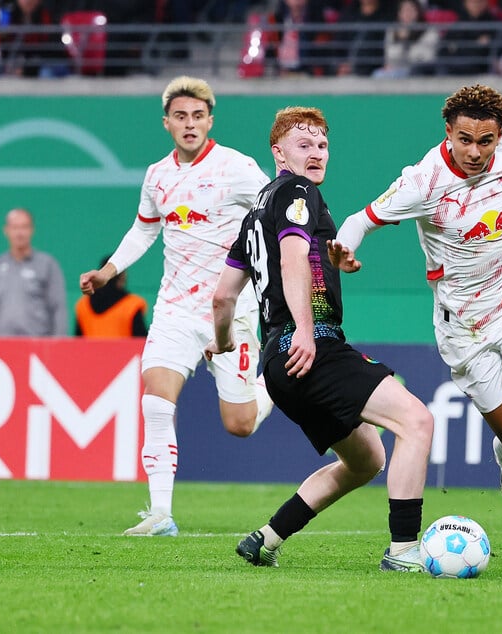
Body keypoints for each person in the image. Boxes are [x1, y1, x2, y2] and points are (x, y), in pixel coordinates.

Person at [332, 85, 502, 562]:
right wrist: (345, 249)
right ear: (448, 132)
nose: (475, 152)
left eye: (485, 141)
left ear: (500, 136)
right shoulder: (423, 182)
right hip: (464, 326)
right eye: (465, 139)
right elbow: (360, 221)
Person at [205, 106, 434, 572]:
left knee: (367, 459)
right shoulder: (297, 190)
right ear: (278, 153)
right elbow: (293, 260)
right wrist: (306, 333)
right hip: (309, 347)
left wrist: (223, 341)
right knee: (418, 421)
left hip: (276, 363)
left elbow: (222, 299)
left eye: (322, 145)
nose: (316, 153)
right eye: (303, 145)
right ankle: (404, 550)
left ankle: (266, 537)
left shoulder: (253, 217)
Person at [79, 76, 274, 537]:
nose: (190, 124)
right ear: (167, 123)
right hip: (174, 309)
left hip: (230, 307)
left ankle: (275, 386)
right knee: (155, 403)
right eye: (181, 117)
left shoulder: (237, 168)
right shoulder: (157, 175)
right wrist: (108, 271)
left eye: (198, 116)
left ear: (210, 120)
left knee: (240, 424)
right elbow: (144, 228)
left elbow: (278, 207)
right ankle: (161, 514)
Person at [0, 207, 67, 336]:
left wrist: (59, 344)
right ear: (6, 230)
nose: (19, 233)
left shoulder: (47, 264)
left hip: (38, 344)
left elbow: (58, 307)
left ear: (32, 230)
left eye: (24, 227)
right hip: (2, 344)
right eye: (14, 227)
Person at [75, 255, 148, 337]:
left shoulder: (82, 304)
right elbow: (141, 341)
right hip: (125, 350)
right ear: (121, 276)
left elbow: (79, 341)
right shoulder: (133, 304)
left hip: (90, 350)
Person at [373, 0, 440, 78]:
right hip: (395, 69)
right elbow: (389, 57)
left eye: (411, 10)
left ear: (418, 12)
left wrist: (406, 40)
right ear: (399, 13)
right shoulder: (392, 31)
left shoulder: (430, 31)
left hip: (418, 71)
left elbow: (426, 58)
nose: (407, 14)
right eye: (404, 10)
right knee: (377, 74)